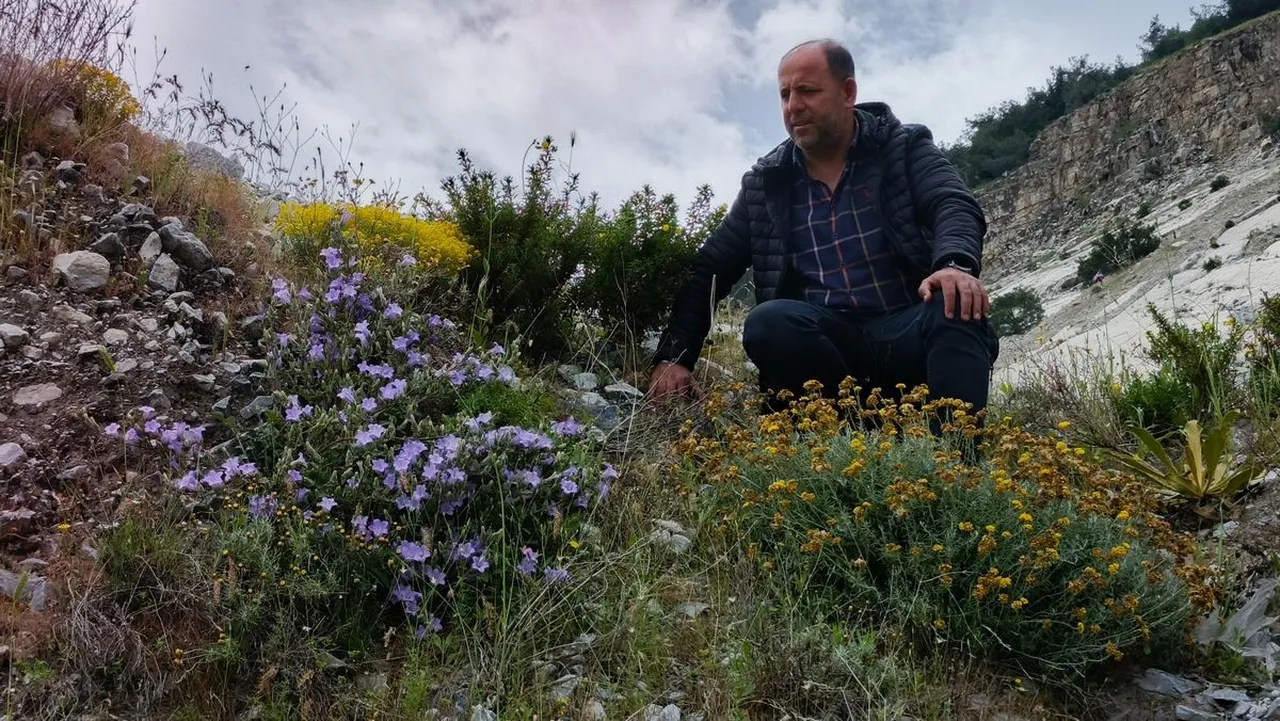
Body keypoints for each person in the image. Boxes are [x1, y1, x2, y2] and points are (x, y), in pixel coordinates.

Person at [645, 38, 1000, 422]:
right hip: (828, 348)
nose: (793, 106)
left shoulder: (902, 147)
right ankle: (844, 444)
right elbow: (710, 269)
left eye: (808, 91)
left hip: (907, 330)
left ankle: (957, 462)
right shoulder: (767, 183)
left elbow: (952, 202)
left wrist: (953, 265)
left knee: (957, 304)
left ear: (848, 92)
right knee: (769, 322)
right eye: (784, 94)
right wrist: (674, 357)